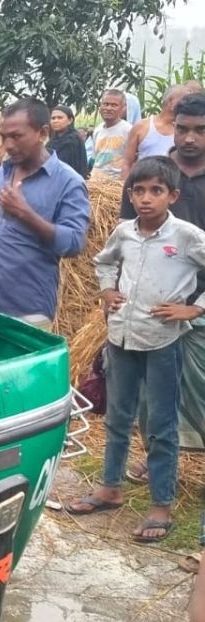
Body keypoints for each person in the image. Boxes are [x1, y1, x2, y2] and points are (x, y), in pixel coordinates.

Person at [67, 156, 205, 544]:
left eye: (156, 191)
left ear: (172, 195)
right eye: (139, 190)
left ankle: (161, 505)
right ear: (130, 194)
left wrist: (194, 308)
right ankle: (110, 486)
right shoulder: (125, 232)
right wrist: (108, 289)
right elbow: (104, 261)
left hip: (164, 340)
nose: (146, 199)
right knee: (117, 416)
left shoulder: (187, 237)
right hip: (122, 337)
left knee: (161, 425)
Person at [120, 94, 205, 461]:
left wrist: (197, 307)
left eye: (200, 131)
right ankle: (155, 458)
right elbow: (127, 238)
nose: (189, 139)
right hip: (151, 305)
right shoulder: (151, 175)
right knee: (147, 391)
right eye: (182, 129)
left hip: (198, 305)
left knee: (200, 387)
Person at [0, 99, 90, 330]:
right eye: (5, 136)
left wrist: (26, 214)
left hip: (27, 309)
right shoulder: (0, 174)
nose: (8, 144)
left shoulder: (68, 182)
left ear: (43, 133)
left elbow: (74, 243)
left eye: (17, 136)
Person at [122, 84, 201, 182]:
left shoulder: (184, 132)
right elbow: (127, 163)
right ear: (170, 101)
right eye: (184, 100)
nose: (188, 104)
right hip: (145, 187)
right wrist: (126, 188)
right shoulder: (142, 126)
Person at [90, 89, 132, 181]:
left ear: (122, 108)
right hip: (95, 182)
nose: (108, 108)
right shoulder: (98, 130)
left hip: (116, 185)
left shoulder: (128, 130)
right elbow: (94, 158)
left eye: (114, 105)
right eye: (106, 104)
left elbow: (133, 159)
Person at [47, 105, 89, 178]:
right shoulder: (52, 142)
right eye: (53, 118)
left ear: (70, 120)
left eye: (60, 118)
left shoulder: (73, 140)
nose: (55, 121)